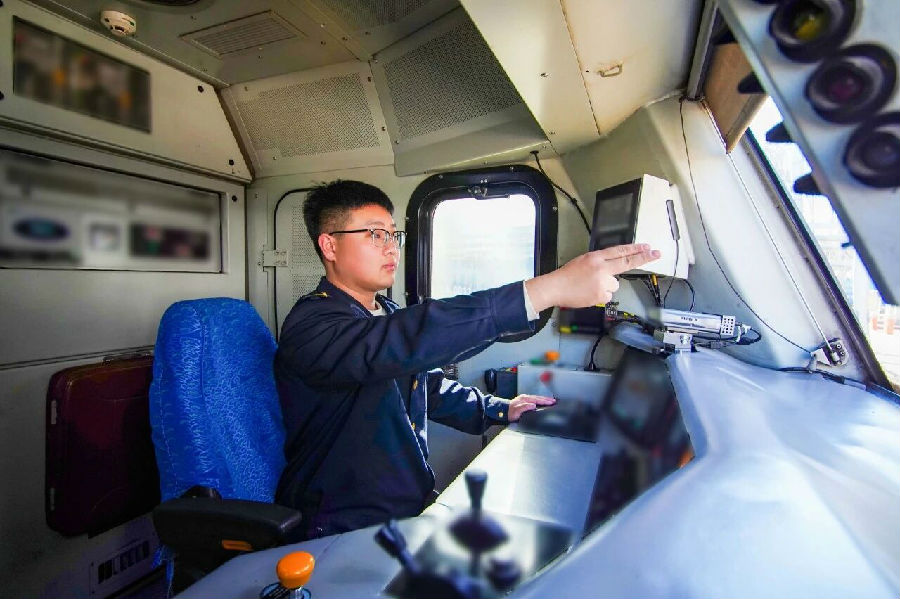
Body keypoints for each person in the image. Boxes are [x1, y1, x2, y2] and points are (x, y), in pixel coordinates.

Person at [274, 180, 659, 539]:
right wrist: (544, 291)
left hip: (405, 504)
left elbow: (428, 387)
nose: (391, 248)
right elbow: (407, 339)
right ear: (330, 246)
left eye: (393, 234)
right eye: (375, 234)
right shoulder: (311, 325)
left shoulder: (385, 312)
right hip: (340, 523)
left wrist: (501, 408)